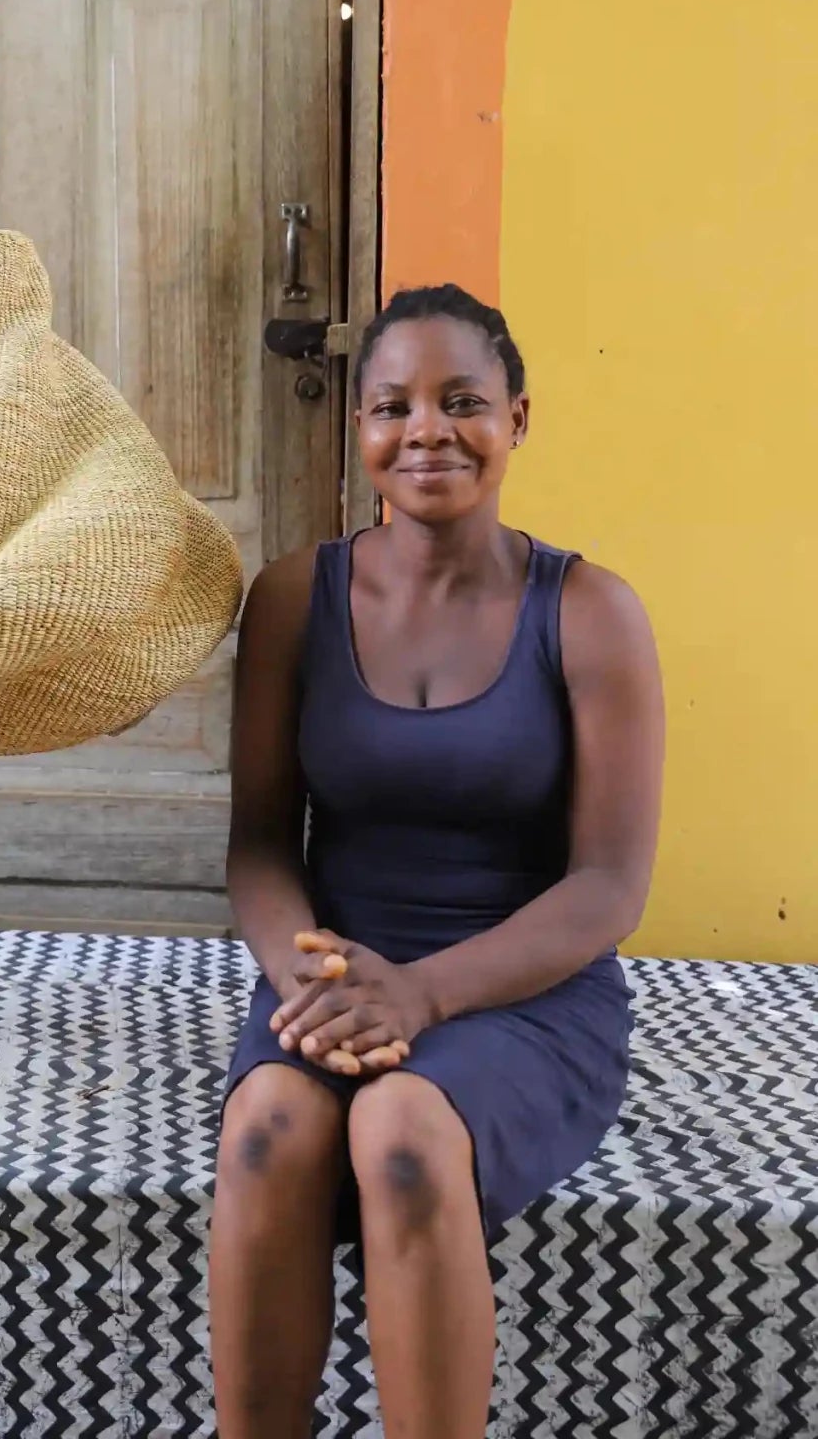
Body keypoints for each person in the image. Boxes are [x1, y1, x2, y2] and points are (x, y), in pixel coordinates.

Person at [210, 284, 665, 1439]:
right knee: (269, 1124)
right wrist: (308, 976)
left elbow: (610, 887)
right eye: (392, 405)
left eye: (463, 401)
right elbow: (262, 840)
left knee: (402, 1135)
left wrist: (423, 990)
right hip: (334, 971)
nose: (427, 430)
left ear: (519, 418)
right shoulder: (292, 597)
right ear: (358, 427)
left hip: (524, 989)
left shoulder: (590, 612)